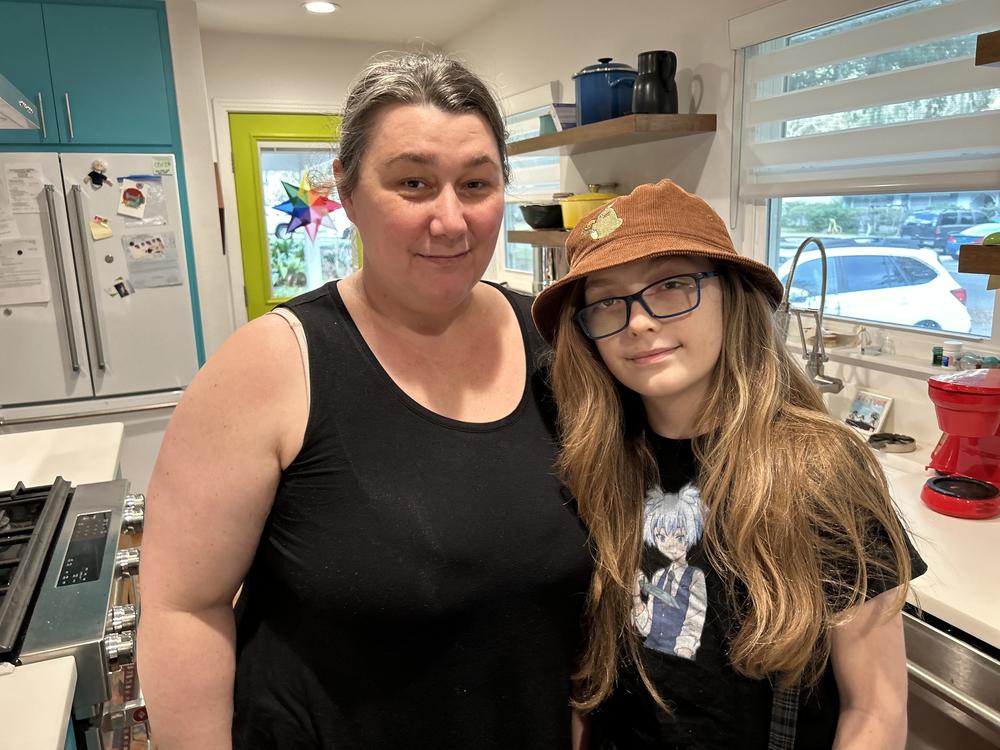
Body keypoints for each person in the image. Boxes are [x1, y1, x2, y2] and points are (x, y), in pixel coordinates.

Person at [138, 52, 592, 749]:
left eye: (476, 183)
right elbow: (183, 608)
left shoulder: (556, 343)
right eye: (413, 182)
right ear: (347, 192)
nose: (450, 219)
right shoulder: (271, 365)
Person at [530, 180, 926, 749]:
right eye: (607, 301)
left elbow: (876, 708)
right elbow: (588, 680)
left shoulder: (818, 469)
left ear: (731, 295)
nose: (638, 321)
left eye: (670, 286)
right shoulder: (596, 464)